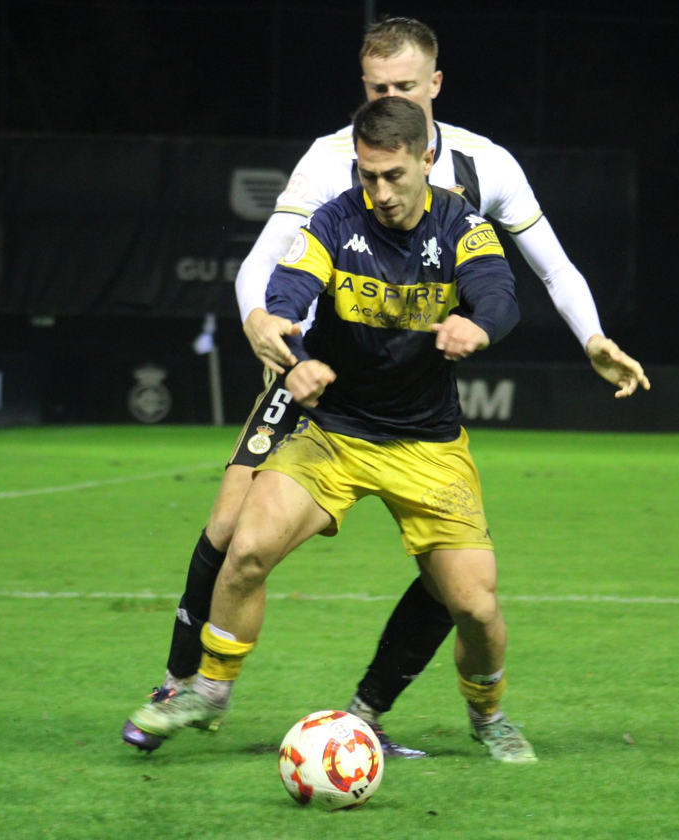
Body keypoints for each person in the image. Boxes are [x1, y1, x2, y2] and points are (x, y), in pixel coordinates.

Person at [122, 16, 649, 757]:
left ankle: (406, 708)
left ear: (435, 88)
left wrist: (587, 336)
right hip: (323, 388)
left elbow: (538, 273)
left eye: (405, 86)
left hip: (419, 415)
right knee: (231, 530)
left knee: (464, 590)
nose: (391, 97)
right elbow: (275, 267)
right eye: (377, 88)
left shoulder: (479, 175)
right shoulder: (334, 167)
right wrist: (274, 332)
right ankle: (193, 685)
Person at [130, 96, 538, 763]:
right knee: (248, 544)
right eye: (368, 176)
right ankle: (208, 690)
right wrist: (279, 336)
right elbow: (290, 289)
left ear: (426, 161)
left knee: (477, 607)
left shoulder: (463, 225)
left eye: (394, 176)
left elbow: (499, 293)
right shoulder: (333, 220)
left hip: (427, 445)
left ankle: (487, 715)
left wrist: (480, 325)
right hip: (336, 433)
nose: (380, 192)